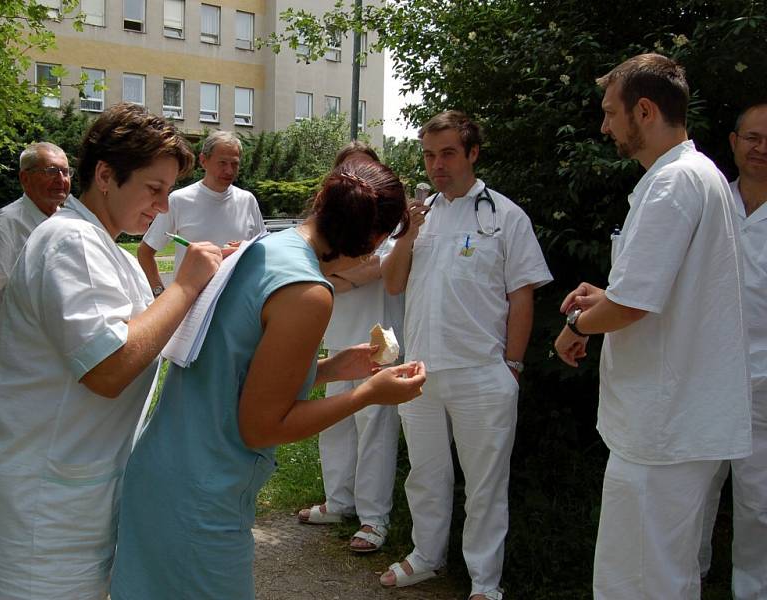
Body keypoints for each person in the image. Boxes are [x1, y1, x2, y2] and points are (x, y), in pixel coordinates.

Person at [110, 160, 426, 600]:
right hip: (203, 493)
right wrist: (368, 394)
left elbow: (238, 375)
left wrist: (334, 368)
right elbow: (260, 425)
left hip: (163, 470)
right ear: (374, 238)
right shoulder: (309, 292)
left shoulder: (263, 248)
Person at [0, 103, 229, 600]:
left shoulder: (110, 251)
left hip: (73, 502)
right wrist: (187, 285)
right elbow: (110, 368)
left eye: (169, 192)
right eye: (154, 189)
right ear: (105, 175)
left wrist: (219, 280)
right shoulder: (72, 243)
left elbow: (154, 335)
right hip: (40, 516)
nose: (163, 207)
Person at [553, 54, 752, 599]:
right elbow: (658, 292)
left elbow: (632, 307)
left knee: (637, 580)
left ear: (644, 110)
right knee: (666, 574)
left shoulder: (673, 185)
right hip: (678, 421)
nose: (604, 126)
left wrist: (577, 321)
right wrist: (606, 298)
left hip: (663, 426)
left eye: (610, 112)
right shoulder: (698, 176)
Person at [379, 111, 552, 600]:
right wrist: (409, 232)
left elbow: (522, 296)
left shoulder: (504, 215)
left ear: (473, 153)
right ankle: (426, 557)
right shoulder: (418, 216)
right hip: (419, 371)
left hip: (483, 372)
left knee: (485, 487)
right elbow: (392, 283)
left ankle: (484, 582)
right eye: (429, 155)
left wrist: (512, 366)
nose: (437, 165)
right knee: (426, 474)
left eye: (448, 153)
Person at [297, 141, 404, 553]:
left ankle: (374, 519)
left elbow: (375, 268)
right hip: (340, 334)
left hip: (381, 338)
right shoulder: (337, 221)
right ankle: (339, 501)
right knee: (334, 422)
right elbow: (338, 271)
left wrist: (340, 276)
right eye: (349, 170)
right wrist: (346, 276)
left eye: (365, 169)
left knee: (374, 426)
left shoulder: (391, 221)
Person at [699, 100, 767, 598]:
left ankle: (753, 590)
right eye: (753, 138)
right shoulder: (706, 200)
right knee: (692, 493)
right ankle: (683, 580)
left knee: (759, 502)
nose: (761, 149)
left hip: (764, 381)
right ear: (734, 143)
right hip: (701, 376)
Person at [137, 130, 265, 297]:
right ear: (204, 161)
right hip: (191, 308)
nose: (229, 170)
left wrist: (245, 248)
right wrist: (159, 294)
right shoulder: (179, 200)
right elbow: (145, 252)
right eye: (223, 163)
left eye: (234, 164)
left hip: (238, 303)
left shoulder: (247, 200)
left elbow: (263, 251)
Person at [0, 142, 73, 340]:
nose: (61, 179)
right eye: (51, 171)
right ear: (25, 178)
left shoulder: (68, 221)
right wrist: (8, 348)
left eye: (65, 172)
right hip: (29, 359)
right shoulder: (7, 223)